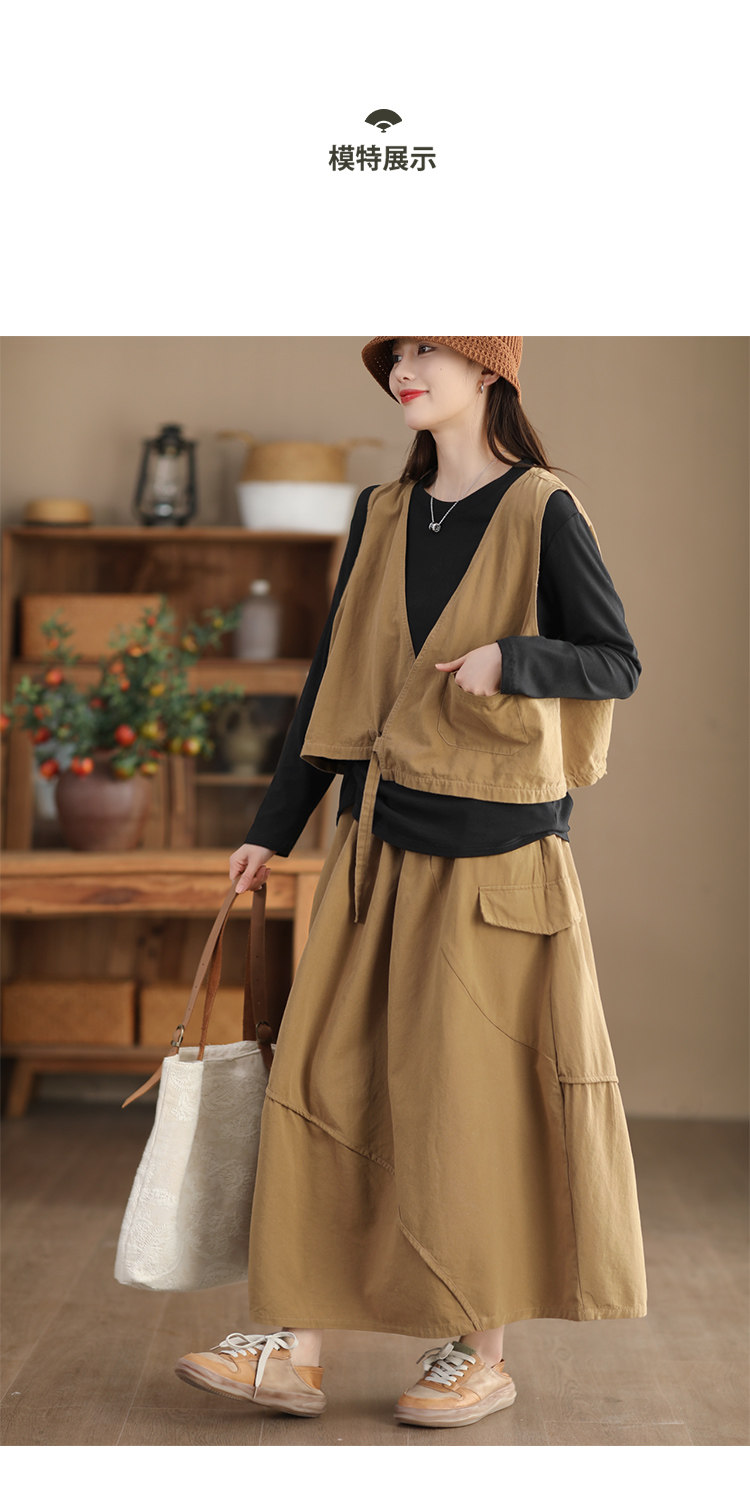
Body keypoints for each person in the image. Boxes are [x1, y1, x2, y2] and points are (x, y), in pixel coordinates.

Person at [175, 337, 648, 1429]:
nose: (406, 367)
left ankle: (475, 1353)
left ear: (489, 372)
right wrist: (272, 830)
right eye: (399, 350)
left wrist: (513, 659)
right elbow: (333, 678)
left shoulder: (542, 508)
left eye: (432, 347)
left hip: (498, 868)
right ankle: (291, 1346)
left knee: (471, 1111)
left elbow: (616, 660)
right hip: (375, 845)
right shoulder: (382, 513)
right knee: (321, 1087)